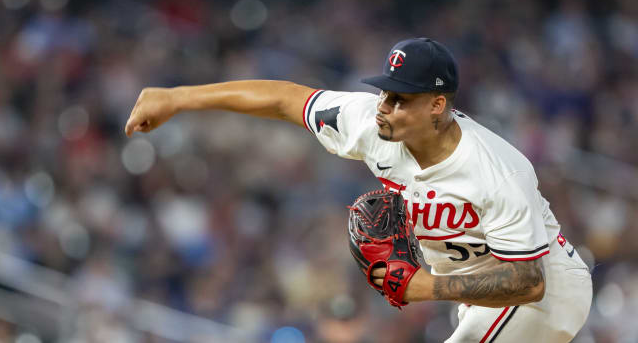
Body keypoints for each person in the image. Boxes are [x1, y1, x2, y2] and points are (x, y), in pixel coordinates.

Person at [125, 38, 592, 342]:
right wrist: (179, 97)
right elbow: (285, 100)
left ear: (437, 105)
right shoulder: (371, 122)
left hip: (548, 289)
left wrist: (426, 286)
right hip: (480, 295)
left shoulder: (497, 170)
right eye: (385, 92)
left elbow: (529, 283)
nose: (384, 107)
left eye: (400, 99)